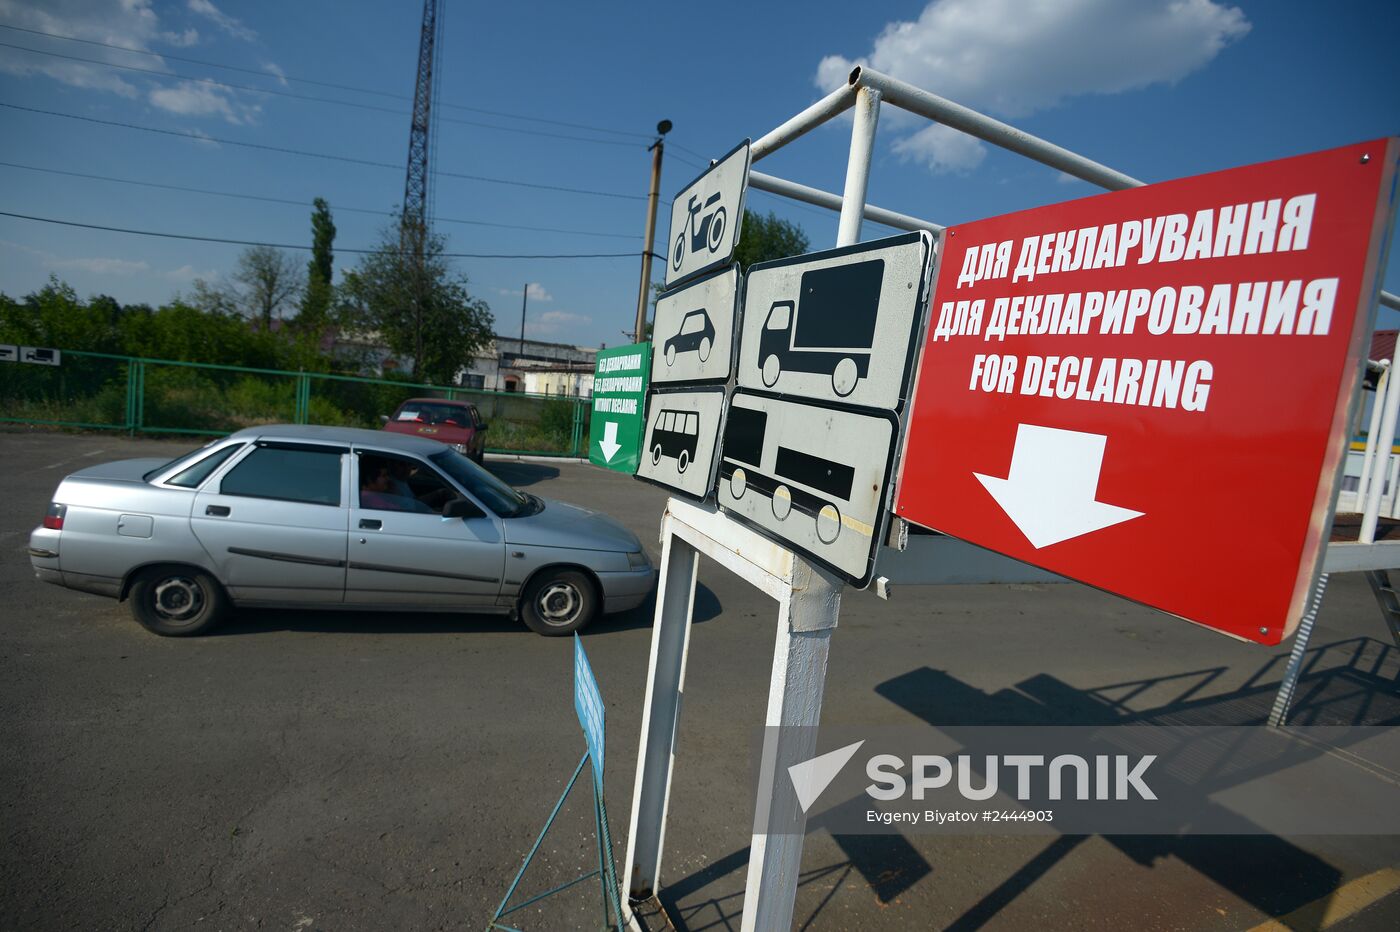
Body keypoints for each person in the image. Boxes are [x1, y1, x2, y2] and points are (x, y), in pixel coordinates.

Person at [359, 460, 432, 513]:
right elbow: (404, 513)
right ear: (369, 479)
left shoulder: (378, 494)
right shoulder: (369, 500)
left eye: (409, 464)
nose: (388, 478)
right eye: (384, 476)